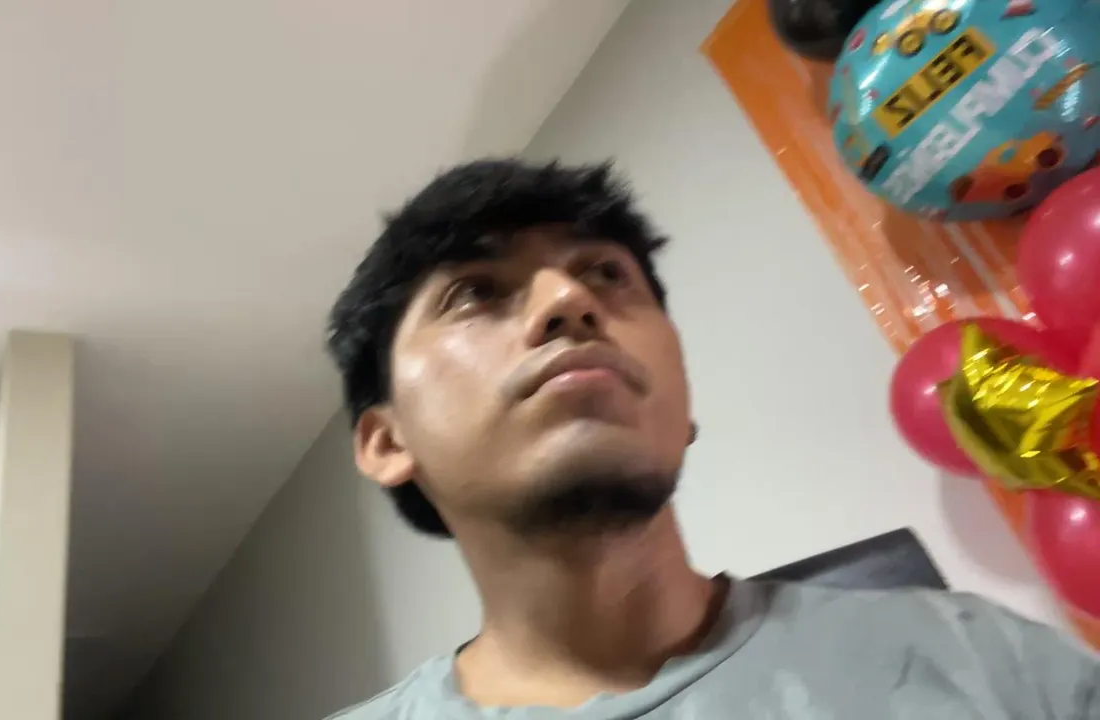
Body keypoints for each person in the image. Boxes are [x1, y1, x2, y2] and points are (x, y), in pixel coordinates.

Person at [322, 159, 1099, 719]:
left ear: (682, 405)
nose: (568, 299)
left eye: (607, 275)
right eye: (475, 292)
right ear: (386, 441)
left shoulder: (985, 660)